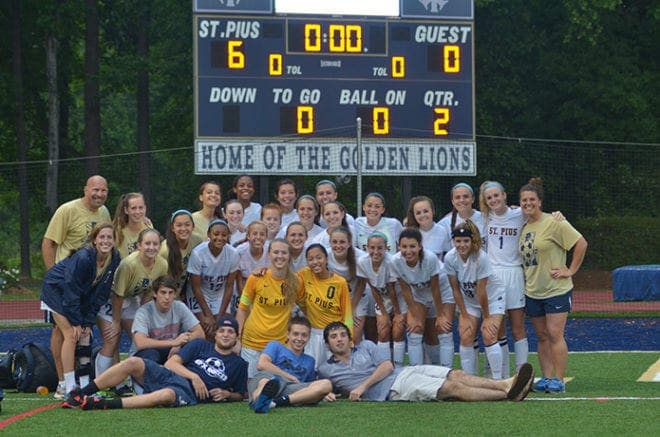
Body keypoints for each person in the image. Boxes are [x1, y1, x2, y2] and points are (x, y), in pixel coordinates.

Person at [318, 322, 534, 402]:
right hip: (392, 388)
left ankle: (507, 383)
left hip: (402, 372)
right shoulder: (327, 369)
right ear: (328, 344)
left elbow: (387, 366)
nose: (339, 339)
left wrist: (361, 387)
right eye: (334, 337)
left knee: (455, 374)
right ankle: (507, 393)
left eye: (342, 335)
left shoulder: (366, 346)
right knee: (451, 387)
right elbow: (317, 386)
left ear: (349, 338)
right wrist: (324, 392)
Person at [63, 316, 248, 410]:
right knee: (133, 362)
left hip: (187, 392)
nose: (225, 334)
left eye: (230, 332)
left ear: (236, 336)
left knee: (166, 395)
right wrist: (195, 376)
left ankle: (101, 404)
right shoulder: (200, 345)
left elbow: (241, 394)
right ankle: (80, 394)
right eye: (222, 330)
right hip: (171, 375)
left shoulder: (239, 364)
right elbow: (170, 364)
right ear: (215, 334)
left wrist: (226, 394)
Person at [41, 175, 111, 399]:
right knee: (63, 332)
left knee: (81, 334)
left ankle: (80, 383)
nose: (99, 194)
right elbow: (48, 242)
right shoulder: (67, 210)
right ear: (85, 189)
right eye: (95, 189)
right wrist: (52, 274)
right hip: (63, 283)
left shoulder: (104, 213)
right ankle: (63, 382)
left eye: (103, 190)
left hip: (84, 286)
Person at [519, 178, 587, 393]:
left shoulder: (554, 222)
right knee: (541, 336)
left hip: (556, 289)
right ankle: (546, 378)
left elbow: (581, 243)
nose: (528, 203)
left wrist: (570, 270)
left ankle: (559, 379)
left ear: (540, 201)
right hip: (533, 291)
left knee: (555, 333)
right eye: (523, 200)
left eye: (532, 199)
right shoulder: (524, 226)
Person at [40, 223, 120, 397]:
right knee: (71, 334)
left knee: (85, 334)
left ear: (114, 241)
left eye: (109, 237)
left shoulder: (114, 258)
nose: (105, 241)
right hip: (56, 290)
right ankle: (69, 388)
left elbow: (102, 292)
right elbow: (71, 289)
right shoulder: (84, 257)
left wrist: (88, 322)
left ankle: (85, 387)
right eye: (102, 237)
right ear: (94, 240)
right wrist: (76, 322)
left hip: (76, 296)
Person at [96, 228, 168, 393]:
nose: (151, 247)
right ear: (138, 246)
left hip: (131, 299)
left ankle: (134, 378)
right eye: (147, 243)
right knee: (112, 338)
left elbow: (151, 291)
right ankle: (100, 384)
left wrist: (142, 314)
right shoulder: (129, 264)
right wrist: (116, 321)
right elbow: (117, 295)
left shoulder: (162, 264)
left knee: (140, 337)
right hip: (110, 299)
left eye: (155, 244)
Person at [479, 181, 530, 376]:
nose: (493, 200)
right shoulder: (484, 217)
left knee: (518, 328)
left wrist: (558, 216)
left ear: (504, 195)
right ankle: (501, 374)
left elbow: (540, 215)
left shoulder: (518, 214)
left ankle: (521, 373)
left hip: (514, 273)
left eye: (496, 196)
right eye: (489, 197)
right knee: (497, 328)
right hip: (493, 276)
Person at [444, 221, 506, 378]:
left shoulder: (481, 258)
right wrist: (463, 316)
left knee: (489, 333)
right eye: (458, 241)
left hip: (491, 298)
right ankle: (469, 379)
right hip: (469, 301)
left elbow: (482, 290)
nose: (462, 245)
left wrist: (487, 318)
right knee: (465, 334)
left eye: (466, 241)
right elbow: (455, 289)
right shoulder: (450, 258)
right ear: (453, 241)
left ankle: (497, 379)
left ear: (472, 241)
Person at [235, 239, 304, 377]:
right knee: (250, 389)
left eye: (284, 253)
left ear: (289, 255)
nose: (280, 256)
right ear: (269, 255)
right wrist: (237, 339)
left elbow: (305, 308)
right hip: (252, 343)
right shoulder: (255, 278)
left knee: (276, 386)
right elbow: (242, 309)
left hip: (279, 345)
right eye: (276, 252)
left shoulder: (297, 282)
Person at [392, 227, 453, 367]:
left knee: (443, 329)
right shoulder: (396, 261)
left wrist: (440, 315)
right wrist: (413, 314)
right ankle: (417, 372)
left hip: (442, 292)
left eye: (412, 246)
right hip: (419, 294)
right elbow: (405, 289)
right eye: (404, 246)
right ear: (398, 246)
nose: (408, 251)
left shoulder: (430, 258)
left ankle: (444, 371)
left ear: (420, 246)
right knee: (414, 329)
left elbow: (435, 288)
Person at [248, 317, 334, 413]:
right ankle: (258, 401)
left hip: (290, 389)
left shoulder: (310, 361)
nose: (299, 338)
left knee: (326, 384)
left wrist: (322, 394)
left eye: (304, 335)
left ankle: (276, 403)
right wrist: (290, 377)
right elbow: (262, 364)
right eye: (296, 334)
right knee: (266, 382)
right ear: (288, 334)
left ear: (309, 337)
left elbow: (310, 385)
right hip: (271, 379)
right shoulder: (276, 346)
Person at [353, 232, 405, 364]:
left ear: (386, 248)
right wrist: (383, 313)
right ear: (367, 248)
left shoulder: (391, 261)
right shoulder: (362, 262)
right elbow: (373, 287)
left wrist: (397, 313)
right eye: (372, 248)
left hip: (399, 297)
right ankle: (385, 364)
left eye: (380, 248)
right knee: (383, 330)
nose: (376, 252)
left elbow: (392, 290)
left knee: (398, 331)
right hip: (382, 297)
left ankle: (398, 365)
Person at [299, 244, 353, 369]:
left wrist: (349, 340)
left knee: (337, 372)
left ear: (326, 258)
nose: (315, 262)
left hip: (334, 334)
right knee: (312, 371)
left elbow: (347, 313)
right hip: (313, 333)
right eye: (311, 259)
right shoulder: (305, 274)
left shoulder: (339, 282)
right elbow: (285, 276)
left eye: (319, 258)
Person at [130, 276, 205, 364]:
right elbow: (140, 343)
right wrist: (174, 342)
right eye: (163, 292)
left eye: (170, 293)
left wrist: (180, 343)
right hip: (147, 353)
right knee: (151, 355)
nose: (167, 297)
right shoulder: (144, 311)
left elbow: (200, 334)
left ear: (175, 294)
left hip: (171, 349)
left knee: (195, 347)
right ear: (155, 293)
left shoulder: (179, 307)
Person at [187, 219, 240, 337]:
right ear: (209, 235)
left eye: (224, 235)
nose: (220, 238)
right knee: (207, 328)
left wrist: (220, 316)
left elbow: (230, 286)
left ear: (228, 236)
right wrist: (208, 315)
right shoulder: (198, 253)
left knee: (222, 327)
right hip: (200, 293)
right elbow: (195, 287)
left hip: (219, 292)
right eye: (216, 234)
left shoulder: (233, 254)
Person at [159, 209, 204, 294]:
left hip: (189, 287)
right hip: (169, 291)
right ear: (173, 228)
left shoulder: (197, 241)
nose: (183, 229)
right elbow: (161, 280)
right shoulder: (165, 250)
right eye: (179, 225)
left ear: (193, 227)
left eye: (187, 225)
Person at [437, 183, 485, 258]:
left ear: (473, 199)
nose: (462, 200)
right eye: (457, 197)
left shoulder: (485, 218)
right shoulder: (444, 224)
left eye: (465, 196)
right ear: (452, 201)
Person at [405, 195, 448, 260]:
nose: (422, 215)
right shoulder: (408, 233)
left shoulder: (442, 231)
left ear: (433, 211)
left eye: (426, 211)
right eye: (418, 213)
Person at [112, 192, 151, 259]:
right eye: (133, 208)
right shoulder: (118, 230)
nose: (138, 212)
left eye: (141, 208)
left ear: (145, 208)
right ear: (126, 210)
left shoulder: (148, 226)